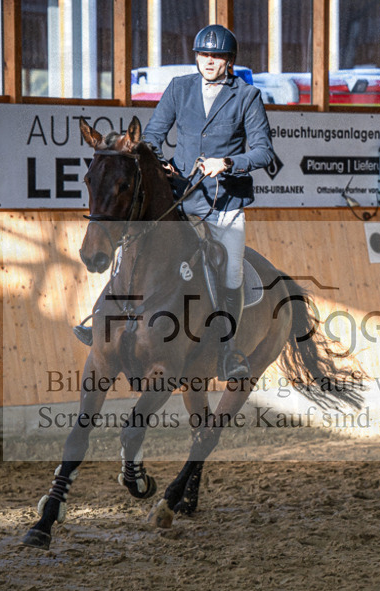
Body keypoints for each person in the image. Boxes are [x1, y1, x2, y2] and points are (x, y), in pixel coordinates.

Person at [142, 23, 275, 382]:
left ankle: (228, 350)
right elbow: (153, 135)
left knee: (231, 273)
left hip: (224, 204)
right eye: (204, 55)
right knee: (134, 242)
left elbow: (263, 152)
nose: (209, 62)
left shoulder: (247, 96)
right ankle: (103, 322)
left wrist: (228, 163)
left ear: (228, 61)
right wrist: (160, 160)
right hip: (180, 200)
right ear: (196, 57)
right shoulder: (178, 88)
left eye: (216, 56)